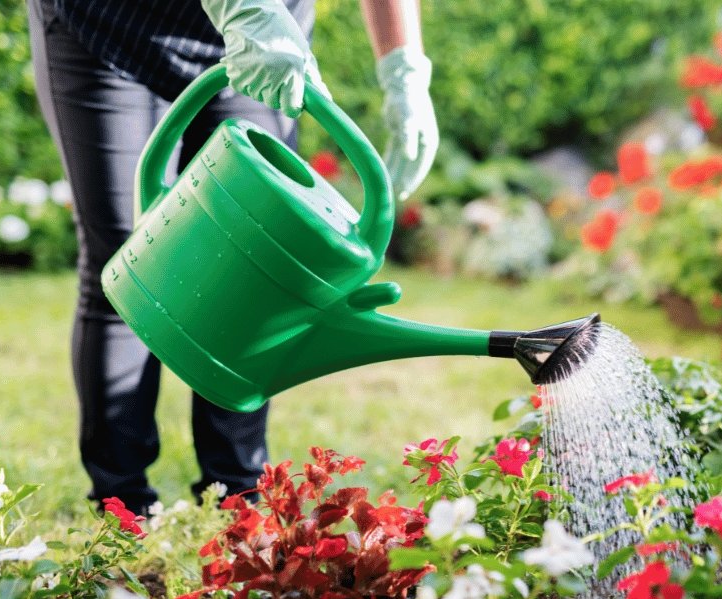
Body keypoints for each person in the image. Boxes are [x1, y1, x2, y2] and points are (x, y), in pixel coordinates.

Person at [26, 0, 438, 515]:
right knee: (128, 261)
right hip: (110, 26)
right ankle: (121, 505)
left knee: (260, 267)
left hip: (267, 34)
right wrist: (244, 10)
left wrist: (404, 71)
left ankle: (236, 497)